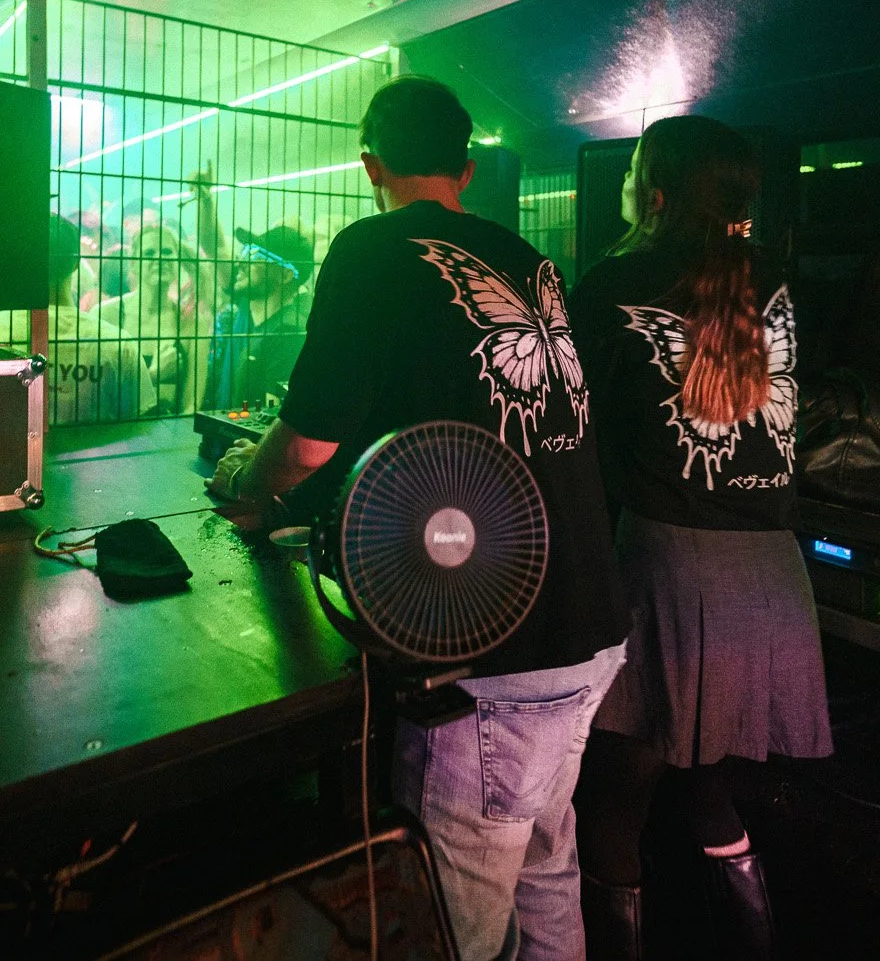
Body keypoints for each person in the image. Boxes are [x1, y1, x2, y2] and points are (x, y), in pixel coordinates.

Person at [207, 76, 628, 961]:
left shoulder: (370, 248)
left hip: (498, 654)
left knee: (452, 927)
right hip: (592, 628)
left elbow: (309, 444)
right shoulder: (530, 258)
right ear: (466, 169)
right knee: (548, 871)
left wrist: (247, 476)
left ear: (371, 165)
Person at [567, 116, 831, 961]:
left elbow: (580, 437)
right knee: (711, 789)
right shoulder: (773, 279)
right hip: (772, 571)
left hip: (670, 568)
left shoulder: (616, 282)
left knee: (615, 795)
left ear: (652, 189)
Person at [0, 215, 156, 424]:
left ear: (22, 262)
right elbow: (141, 426)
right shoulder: (117, 344)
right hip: (96, 455)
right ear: (76, 263)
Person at [192, 174, 314, 412]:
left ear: (285, 275)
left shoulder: (291, 332)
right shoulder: (249, 302)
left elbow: (274, 415)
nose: (241, 263)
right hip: (227, 435)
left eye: (256, 257)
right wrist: (205, 200)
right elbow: (214, 247)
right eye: (246, 251)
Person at [93, 223, 205, 411]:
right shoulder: (106, 314)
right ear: (134, 264)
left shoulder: (191, 322)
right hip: (118, 432)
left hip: (171, 434)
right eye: (150, 253)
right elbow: (97, 393)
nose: (160, 258)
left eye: (167, 252)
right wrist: (154, 374)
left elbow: (192, 404)